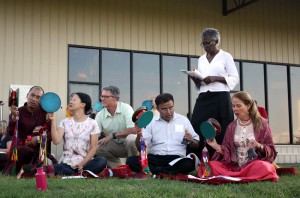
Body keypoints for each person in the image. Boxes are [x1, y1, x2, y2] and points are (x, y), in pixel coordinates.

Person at [205, 91, 278, 182]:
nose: (235, 109)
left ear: (248, 106)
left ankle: (235, 176)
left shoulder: (262, 124)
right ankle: (241, 175)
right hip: (234, 166)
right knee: (211, 165)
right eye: (233, 106)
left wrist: (259, 145)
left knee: (264, 166)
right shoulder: (231, 126)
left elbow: (271, 150)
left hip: (253, 165)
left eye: (238, 106)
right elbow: (227, 150)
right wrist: (215, 145)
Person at [189, 28, 239, 159]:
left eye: (208, 43)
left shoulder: (225, 56)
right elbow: (201, 82)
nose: (205, 46)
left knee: (222, 128)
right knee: (196, 124)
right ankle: (199, 158)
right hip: (204, 96)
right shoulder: (201, 59)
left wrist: (215, 78)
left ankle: (222, 158)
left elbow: (234, 78)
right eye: (203, 44)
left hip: (220, 96)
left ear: (216, 41)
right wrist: (196, 80)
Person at [127, 93, 200, 175]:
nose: (169, 112)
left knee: (189, 163)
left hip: (176, 158)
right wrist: (139, 136)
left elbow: (196, 143)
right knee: (131, 160)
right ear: (157, 109)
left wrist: (190, 141)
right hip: (156, 158)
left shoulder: (183, 120)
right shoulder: (152, 122)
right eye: (164, 109)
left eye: (171, 108)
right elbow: (141, 148)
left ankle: (157, 172)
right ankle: (166, 172)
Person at [49, 92, 107, 176]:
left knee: (102, 160)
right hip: (67, 163)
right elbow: (56, 141)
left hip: (85, 163)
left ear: (83, 104)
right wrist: (53, 121)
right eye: (70, 99)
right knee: (56, 167)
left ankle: (80, 172)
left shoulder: (92, 123)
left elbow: (93, 148)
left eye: (74, 100)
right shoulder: (65, 122)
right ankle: (81, 174)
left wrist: (82, 164)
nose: (70, 102)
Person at [6, 86, 57, 173]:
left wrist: (37, 139)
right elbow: (10, 132)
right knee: (23, 151)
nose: (34, 99)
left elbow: (50, 135)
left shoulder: (45, 113)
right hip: (22, 149)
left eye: (38, 97)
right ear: (27, 95)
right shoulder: (19, 112)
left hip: (40, 150)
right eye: (32, 95)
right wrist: (13, 117)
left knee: (55, 165)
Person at [94, 86, 138, 168]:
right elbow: (95, 135)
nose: (102, 99)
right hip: (116, 146)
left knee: (131, 139)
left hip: (130, 145)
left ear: (116, 98)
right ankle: (117, 169)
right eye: (102, 96)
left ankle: (135, 168)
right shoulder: (100, 115)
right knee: (96, 148)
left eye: (106, 97)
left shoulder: (126, 108)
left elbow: (133, 130)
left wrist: (112, 135)